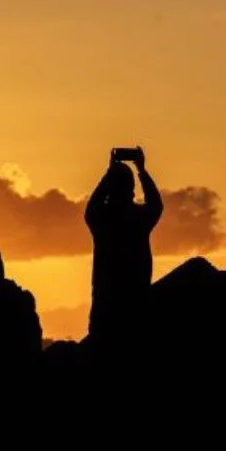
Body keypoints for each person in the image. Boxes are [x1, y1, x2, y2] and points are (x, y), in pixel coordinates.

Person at [85, 147, 163, 344]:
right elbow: (156, 205)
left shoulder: (101, 218)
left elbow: (92, 206)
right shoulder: (138, 218)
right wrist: (142, 171)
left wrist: (109, 173)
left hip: (105, 304)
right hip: (136, 303)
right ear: (132, 190)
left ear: (109, 189)